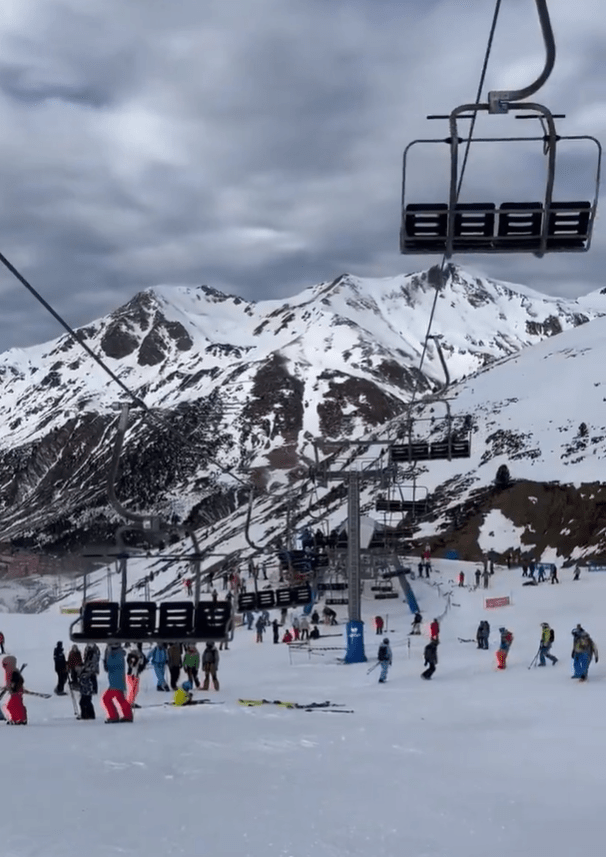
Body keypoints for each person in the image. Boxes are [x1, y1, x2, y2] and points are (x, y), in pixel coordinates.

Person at [101, 643, 132, 723]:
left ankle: (114, 716)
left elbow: (111, 665)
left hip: (116, 681)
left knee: (106, 698)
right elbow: (108, 667)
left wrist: (107, 655)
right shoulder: (118, 653)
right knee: (120, 699)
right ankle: (127, 715)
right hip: (116, 681)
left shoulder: (117, 654)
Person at [1, 656, 27, 724]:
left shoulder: (13, 672)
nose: (4, 666)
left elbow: (18, 682)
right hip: (15, 691)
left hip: (16, 691)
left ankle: (18, 719)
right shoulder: (11, 671)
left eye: (5, 664)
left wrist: (12, 687)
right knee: (15, 706)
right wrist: (7, 687)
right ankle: (19, 719)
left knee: (13, 706)